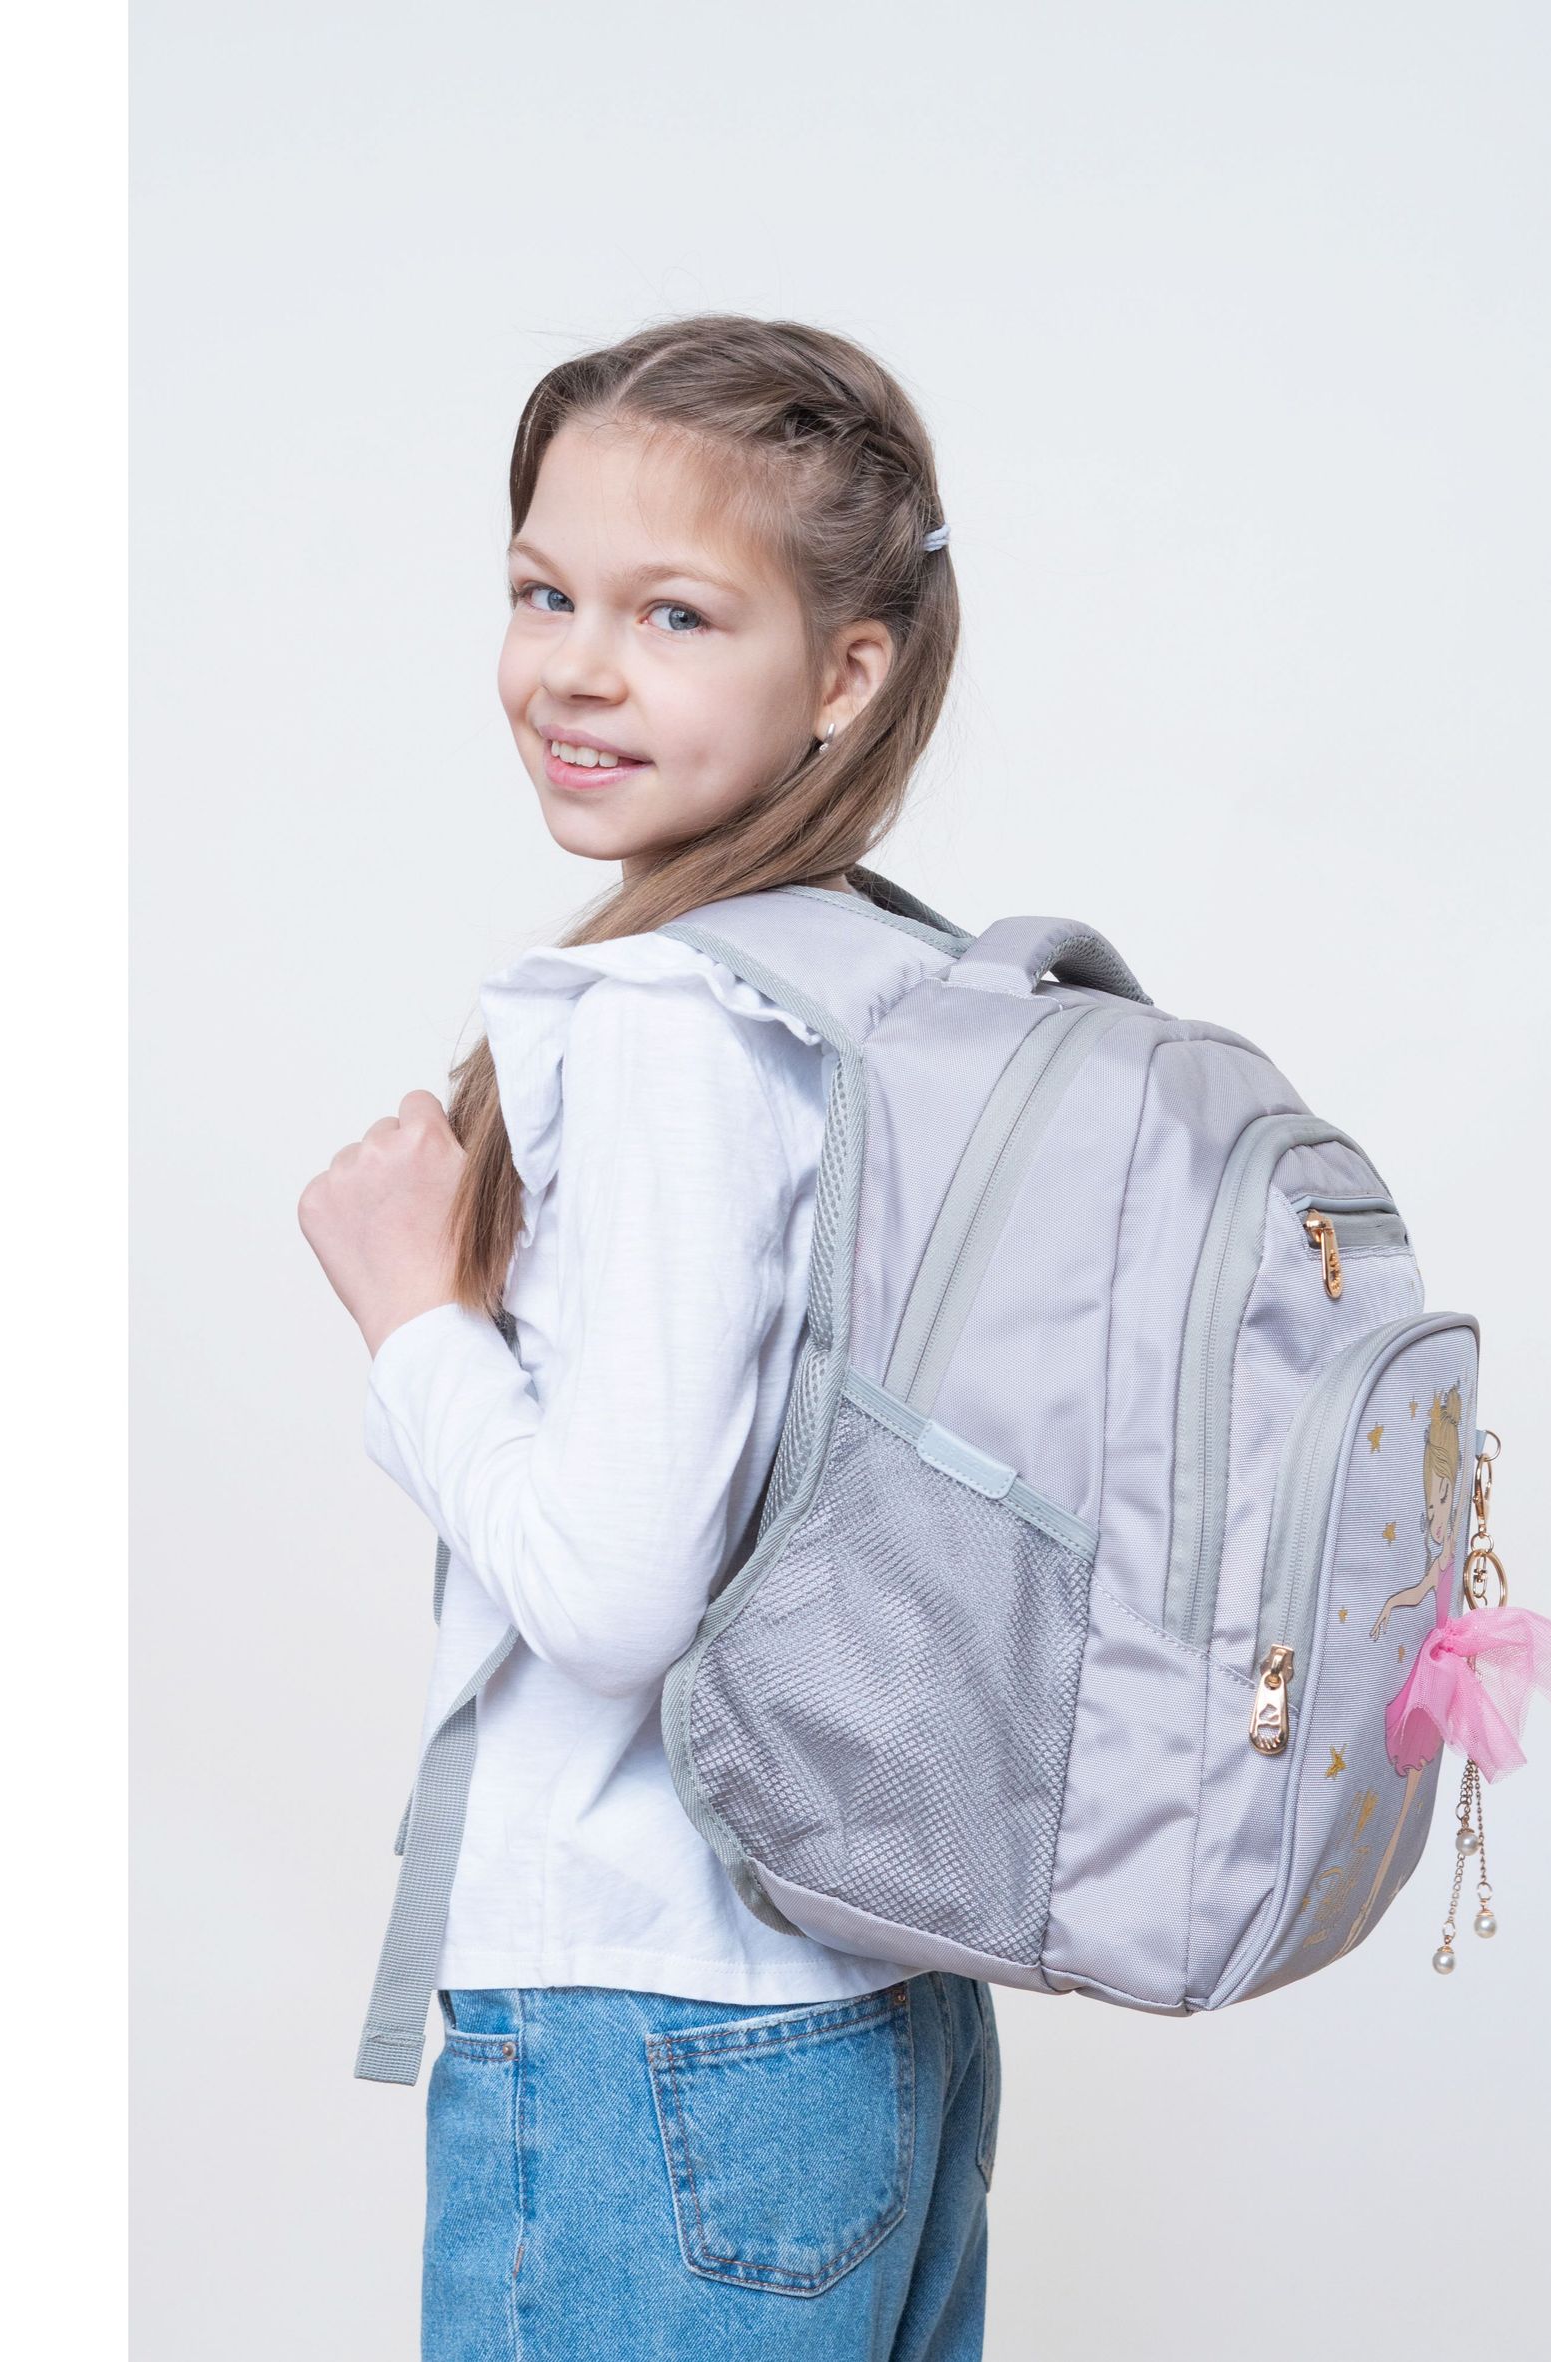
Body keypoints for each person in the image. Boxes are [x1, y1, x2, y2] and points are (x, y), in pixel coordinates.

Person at [297, 314, 997, 2361]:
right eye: (543, 592)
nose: (574, 668)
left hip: (648, 2022)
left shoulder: (674, 1028)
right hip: (871, 2001)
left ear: (843, 673)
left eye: (673, 613)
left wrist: (413, 1318)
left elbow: (615, 1599)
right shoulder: (887, 981)